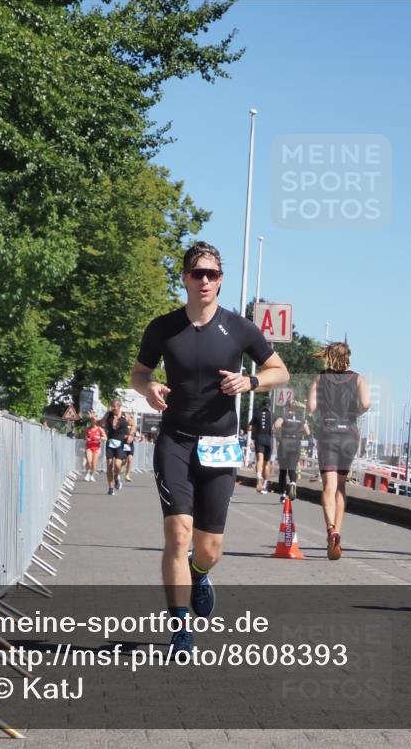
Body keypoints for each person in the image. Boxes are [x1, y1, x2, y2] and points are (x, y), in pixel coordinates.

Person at [131, 241, 289, 652]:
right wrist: (149, 389)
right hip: (176, 441)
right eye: (197, 273)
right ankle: (181, 629)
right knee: (178, 535)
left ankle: (200, 573)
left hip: (220, 444)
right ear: (184, 277)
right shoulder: (163, 327)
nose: (204, 280)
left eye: (212, 274)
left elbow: (279, 371)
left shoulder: (239, 328)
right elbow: (139, 373)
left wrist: (250, 381)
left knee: (209, 548)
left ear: (221, 281)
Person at [308, 342, 370, 560]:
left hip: (328, 432)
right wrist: (353, 412)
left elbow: (311, 408)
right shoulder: (359, 379)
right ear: (348, 357)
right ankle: (338, 530)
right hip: (349, 433)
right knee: (341, 486)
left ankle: (330, 529)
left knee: (328, 486)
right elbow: (366, 403)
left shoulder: (319, 379)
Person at [274, 403, 310, 502]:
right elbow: (308, 432)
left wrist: (278, 433)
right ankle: (293, 483)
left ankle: (283, 494)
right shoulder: (300, 418)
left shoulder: (284, 416)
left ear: (287, 407)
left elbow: (276, 425)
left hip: (285, 443)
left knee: (283, 470)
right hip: (296, 443)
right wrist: (298, 432)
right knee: (292, 468)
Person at [101, 399, 130, 495]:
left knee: (117, 465)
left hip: (120, 443)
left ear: (119, 407)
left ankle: (116, 477)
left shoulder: (125, 416)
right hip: (110, 442)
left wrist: (131, 435)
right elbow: (101, 423)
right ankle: (110, 488)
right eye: (111, 406)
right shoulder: (108, 414)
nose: (112, 408)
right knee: (109, 465)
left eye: (114, 407)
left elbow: (133, 425)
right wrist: (94, 420)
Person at [248, 403, 274, 493]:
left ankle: (259, 477)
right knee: (267, 464)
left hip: (259, 439)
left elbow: (249, 428)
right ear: (269, 406)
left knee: (260, 460)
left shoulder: (257, 413)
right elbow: (275, 428)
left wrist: (256, 427)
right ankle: (265, 485)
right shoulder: (272, 415)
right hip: (269, 440)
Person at [84, 414, 104, 481]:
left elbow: (105, 437)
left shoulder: (100, 429)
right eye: (92, 420)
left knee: (94, 463)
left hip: (96, 447)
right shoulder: (88, 428)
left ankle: (92, 474)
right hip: (89, 447)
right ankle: (87, 473)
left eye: (95, 420)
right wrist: (86, 438)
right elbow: (84, 436)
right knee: (89, 461)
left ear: (96, 421)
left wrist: (100, 437)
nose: (93, 421)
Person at [122, 413, 138, 480]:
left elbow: (134, 429)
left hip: (130, 444)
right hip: (123, 443)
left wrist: (131, 436)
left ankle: (127, 475)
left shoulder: (132, 424)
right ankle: (119, 468)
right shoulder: (121, 424)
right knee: (123, 460)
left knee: (130, 460)